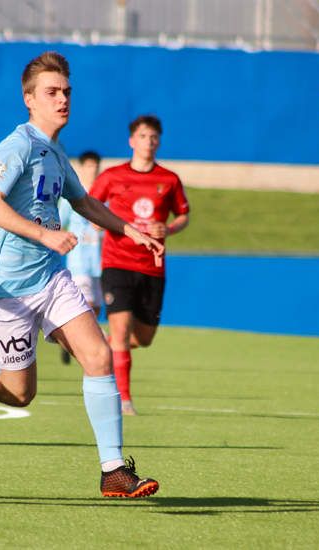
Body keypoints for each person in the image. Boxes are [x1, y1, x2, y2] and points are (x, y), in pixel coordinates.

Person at [0, 51, 163, 498]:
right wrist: (45, 236)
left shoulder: (56, 152)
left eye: (66, 91)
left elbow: (84, 204)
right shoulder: (18, 145)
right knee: (18, 392)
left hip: (49, 279)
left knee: (99, 358)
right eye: (51, 92)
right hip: (6, 291)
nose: (62, 99)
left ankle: (113, 470)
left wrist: (131, 231)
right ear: (29, 99)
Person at [90, 115, 190, 416]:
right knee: (120, 332)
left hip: (152, 268)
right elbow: (90, 205)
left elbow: (183, 215)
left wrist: (169, 229)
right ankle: (124, 400)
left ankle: (100, 350)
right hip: (117, 263)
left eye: (154, 137)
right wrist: (97, 223)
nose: (149, 142)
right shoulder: (112, 176)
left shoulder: (169, 180)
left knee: (143, 339)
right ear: (132, 141)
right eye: (144, 136)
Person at [58, 150, 103, 365]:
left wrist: (102, 225)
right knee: (87, 303)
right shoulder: (72, 194)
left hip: (100, 260)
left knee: (96, 308)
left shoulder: (104, 193)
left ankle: (70, 341)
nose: (92, 170)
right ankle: (83, 347)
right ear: (82, 167)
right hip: (79, 260)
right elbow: (59, 221)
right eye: (88, 166)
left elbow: (112, 221)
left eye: (95, 166)